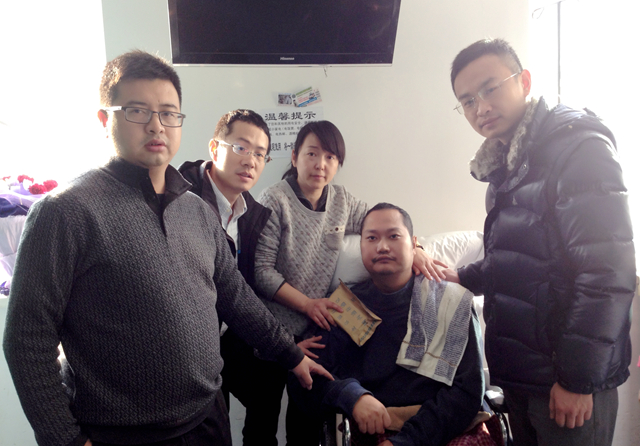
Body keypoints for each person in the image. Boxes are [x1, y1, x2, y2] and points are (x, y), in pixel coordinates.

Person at [2, 50, 331, 446]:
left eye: (169, 113)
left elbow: (237, 299)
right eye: (138, 110)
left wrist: (290, 354)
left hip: (207, 422)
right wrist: (66, 440)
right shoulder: (65, 212)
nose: (156, 125)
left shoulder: (197, 211)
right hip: (123, 436)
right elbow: (26, 340)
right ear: (105, 120)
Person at [446, 38, 635, 445]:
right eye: (468, 100)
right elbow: (518, 257)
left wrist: (577, 380)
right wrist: (461, 277)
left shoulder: (579, 149)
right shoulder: (505, 163)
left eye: (490, 88)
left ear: (525, 81)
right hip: (522, 375)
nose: (481, 107)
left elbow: (607, 272)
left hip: (565, 381)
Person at [254, 121, 447, 443]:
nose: (320, 164)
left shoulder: (342, 200)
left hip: (316, 328)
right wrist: (307, 306)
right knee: (263, 420)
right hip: (274, 329)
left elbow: (382, 224)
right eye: (312, 154)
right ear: (294, 157)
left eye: (330, 157)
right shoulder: (274, 199)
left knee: (307, 410)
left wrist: (417, 249)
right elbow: (261, 271)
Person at [288, 203, 485, 446]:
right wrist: (352, 396)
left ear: (414, 244)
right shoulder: (345, 306)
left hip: (441, 428)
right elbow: (305, 380)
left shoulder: (452, 302)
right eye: (371, 238)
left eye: (393, 236)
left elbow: (468, 391)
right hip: (370, 427)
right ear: (361, 246)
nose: (382, 247)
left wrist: (407, 441)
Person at [178, 109, 285, 446]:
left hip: (229, 332)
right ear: (215, 148)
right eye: (241, 147)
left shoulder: (252, 214)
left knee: (270, 377)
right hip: (191, 340)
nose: (250, 160)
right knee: (213, 422)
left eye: (260, 154)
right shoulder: (179, 198)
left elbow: (244, 289)